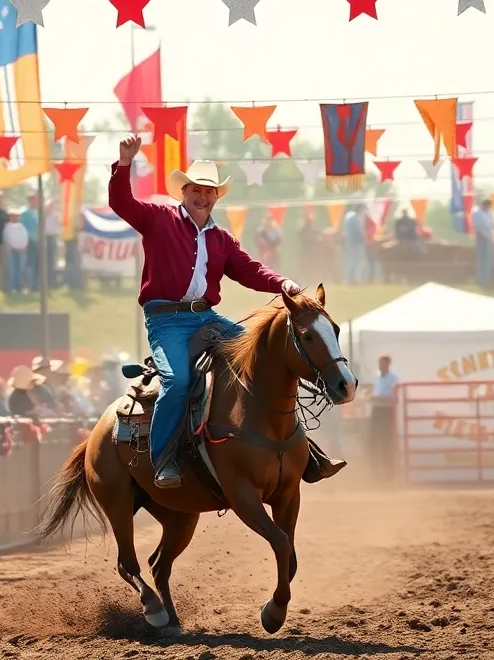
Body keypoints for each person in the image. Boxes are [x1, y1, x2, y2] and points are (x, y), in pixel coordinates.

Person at [109, 135, 343, 488]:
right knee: (177, 381)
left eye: (209, 192)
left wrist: (284, 283)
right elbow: (121, 202)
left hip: (206, 318)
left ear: (216, 197)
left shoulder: (221, 239)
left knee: (268, 357)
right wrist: (124, 162)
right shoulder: (157, 219)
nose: (202, 197)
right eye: (196, 191)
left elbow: (249, 270)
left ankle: (306, 452)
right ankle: (163, 460)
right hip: (167, 321)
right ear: (183, 193)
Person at [369, 355, 399, 483]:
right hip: (377, 410)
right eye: (379, 363)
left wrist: (378, 398)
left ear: (388, 364)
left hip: (386, 411)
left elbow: (394, 397)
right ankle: (376, 471)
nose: (380, 365)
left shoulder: (393, 378)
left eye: (382, 363)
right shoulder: (378, 376)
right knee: (374, 441)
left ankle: (388, 473)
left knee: (386, 442)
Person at [470, 198, 494, 287]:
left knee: (488, 259)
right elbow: (478, 224)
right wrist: (487, 227)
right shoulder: (477, 213)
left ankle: (487, 278)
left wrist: (493, 227)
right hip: (481, 235)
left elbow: (492, 223)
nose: (488, 207)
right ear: (483, 205)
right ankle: (480, 278)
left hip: (489, 237)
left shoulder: (489, 213)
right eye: (487, 205)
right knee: (481, 258)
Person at [2, 208, 29, 294]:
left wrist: (23, 246)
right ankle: (11, 288)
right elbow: (8, 239)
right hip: (12, 251)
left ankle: (19, 287)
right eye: (13, 216)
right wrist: (15, 247)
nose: (15, 218)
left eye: (16, 216)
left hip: (22, 251)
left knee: (20, 269)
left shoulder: (21, 227)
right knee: (12, 270)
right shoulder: (7, 227)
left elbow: (25, 237)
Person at [341, 204, 368, 284]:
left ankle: (351, 278)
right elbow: (357, 231)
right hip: (355, 243)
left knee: (352, 261)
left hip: (349, 242)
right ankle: (353, 279)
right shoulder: (355, 218)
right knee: (357, 261)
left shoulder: (349, 216)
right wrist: (363, 239)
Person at [20, 192, 41, 291]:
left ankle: (35, 284)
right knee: (29, 263)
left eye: (36, 199)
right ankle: (28, 284)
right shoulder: (25, 213)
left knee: (37, 263)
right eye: (32, 199)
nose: (35, 202)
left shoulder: (38, 212)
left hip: (38, 240)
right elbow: (22, 228)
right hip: (29, 240)